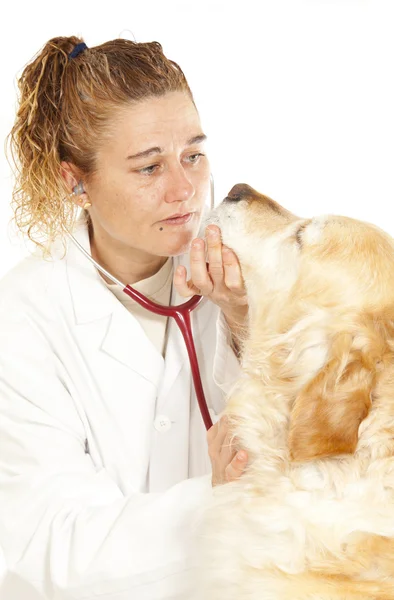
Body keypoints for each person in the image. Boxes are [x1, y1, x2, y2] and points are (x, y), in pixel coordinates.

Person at [0, 36, 249, 600]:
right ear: (75, 181)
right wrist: (219, 493)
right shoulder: (23, 317)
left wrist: (244, 326)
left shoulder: (248, 270)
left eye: (193, 155)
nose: (184, 189)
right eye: (148, 168)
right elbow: (53, 546)